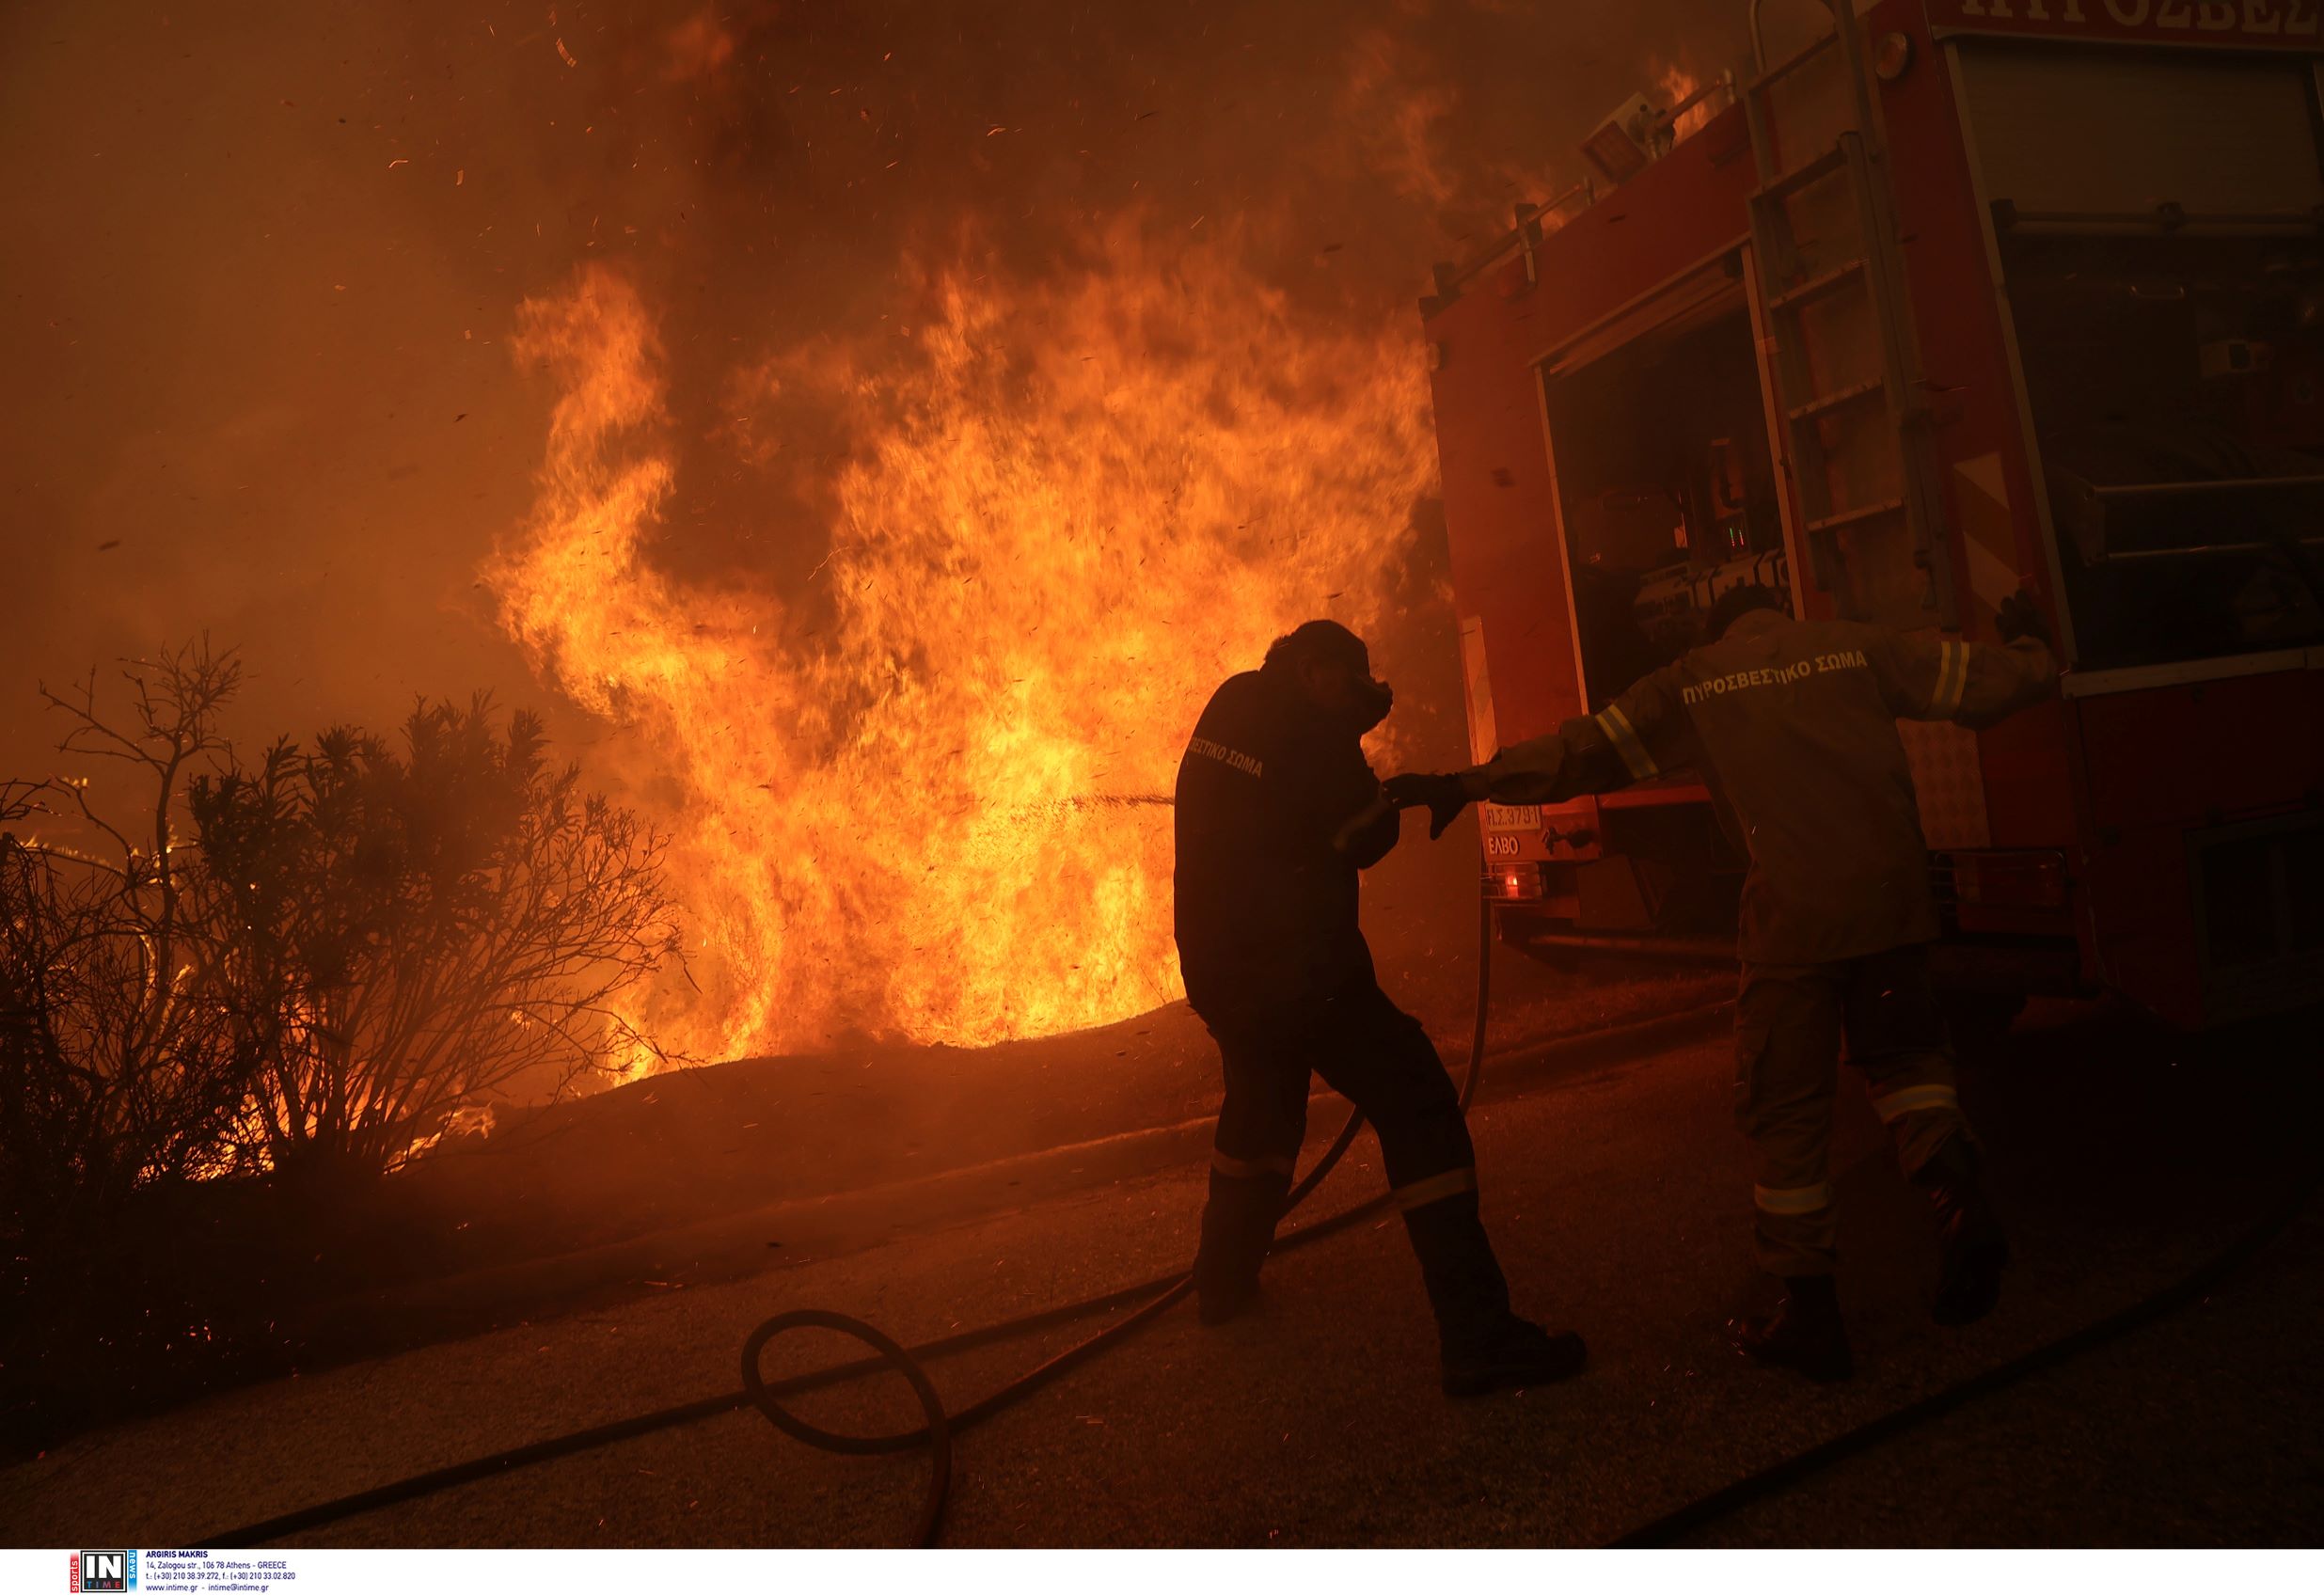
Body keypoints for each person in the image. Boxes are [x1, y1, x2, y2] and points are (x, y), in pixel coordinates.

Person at [1386, 586, 2057, 1382]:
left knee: (1784, 1105)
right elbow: (1982, 684)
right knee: (1909, 1065)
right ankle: (1957, 1203)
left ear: (1718, 625)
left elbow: (1582, 750)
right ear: (1778, 612)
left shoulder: (1694, 679)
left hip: (1794, 916)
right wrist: (2032, 649)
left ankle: (1810, 1315)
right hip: (1893, 899)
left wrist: (1466, 783)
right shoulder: (1855, 643)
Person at [1173, 619, 1587, 1398]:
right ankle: (1478, 1335)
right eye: (1348, 682)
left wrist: (1348, 746)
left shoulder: (1231, 701)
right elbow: (1365, 835)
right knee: (1419, 1101)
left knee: (1260, 1115)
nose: (1354, 698)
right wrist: (1359, 747)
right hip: (1300, 975)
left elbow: (1289, 810)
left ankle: (1220, 1283)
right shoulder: (1309, 726)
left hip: (1220, 970)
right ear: (1312, 669)